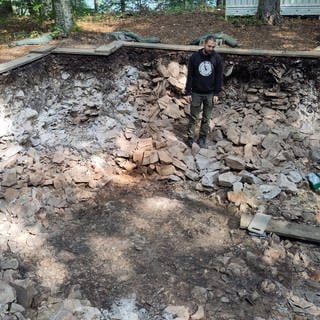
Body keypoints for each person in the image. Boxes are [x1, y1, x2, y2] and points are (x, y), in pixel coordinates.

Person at [185, 35, 223, 148]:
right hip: (196, 92)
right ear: (204, 44)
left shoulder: (216, 58)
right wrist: (188, 92)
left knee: (206, 118)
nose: (211, 49)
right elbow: (190, 75)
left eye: (213, 47)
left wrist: (217, 93)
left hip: (210, 93)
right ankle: (190, 138)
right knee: (193, 116)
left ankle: (202, 138)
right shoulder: (195, 57)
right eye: (209, 46)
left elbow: (219, 77)